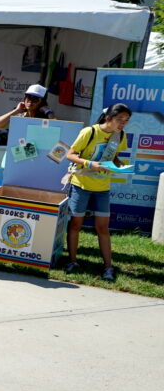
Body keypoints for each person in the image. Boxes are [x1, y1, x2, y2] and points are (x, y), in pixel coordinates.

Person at [64, 103, 131, 281]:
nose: (123, 123)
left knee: (103, 228)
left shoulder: (121, 135)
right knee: (75, 225)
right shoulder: (89, 132)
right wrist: (88, 163)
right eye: (119, 119)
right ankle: (72, 261)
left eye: (126, 120)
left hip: (103, 188)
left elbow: (114, 155)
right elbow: (70, 154)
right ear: (108, 118)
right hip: (81, 185)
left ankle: (108, 267)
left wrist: (119, 165)